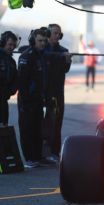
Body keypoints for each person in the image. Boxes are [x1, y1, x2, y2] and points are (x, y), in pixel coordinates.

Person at [17, 28, 47, 168]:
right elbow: (22, 83)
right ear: (32, 41)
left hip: (38, 100)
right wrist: (25, 101)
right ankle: (29, 158)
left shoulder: (40, 56)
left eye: (44, 41)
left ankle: (37, 156)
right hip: (27, 100)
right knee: (27, 129)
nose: (42, 43)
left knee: (37, 129)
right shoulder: (26, 56)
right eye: (40, 41)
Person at [43, 24, 72, 161]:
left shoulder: (64, 51)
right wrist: (59, 56)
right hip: (42, 91)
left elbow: (66, 69)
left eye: (59, 33)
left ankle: (54, 152)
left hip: (57, 92)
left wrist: (66, 59)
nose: (57, 36)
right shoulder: (41, 49)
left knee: (56, 122)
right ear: (48, 34)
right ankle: (41, 152)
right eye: (54, 33)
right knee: (42, 123)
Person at [0, 31, 18, 126]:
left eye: (13, 45)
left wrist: (10, 91)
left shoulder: (11, 62)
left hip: (3, 102)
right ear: (3, 43)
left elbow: (15, 79)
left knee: (3, 128)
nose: (12, 47)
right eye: (9, 44)